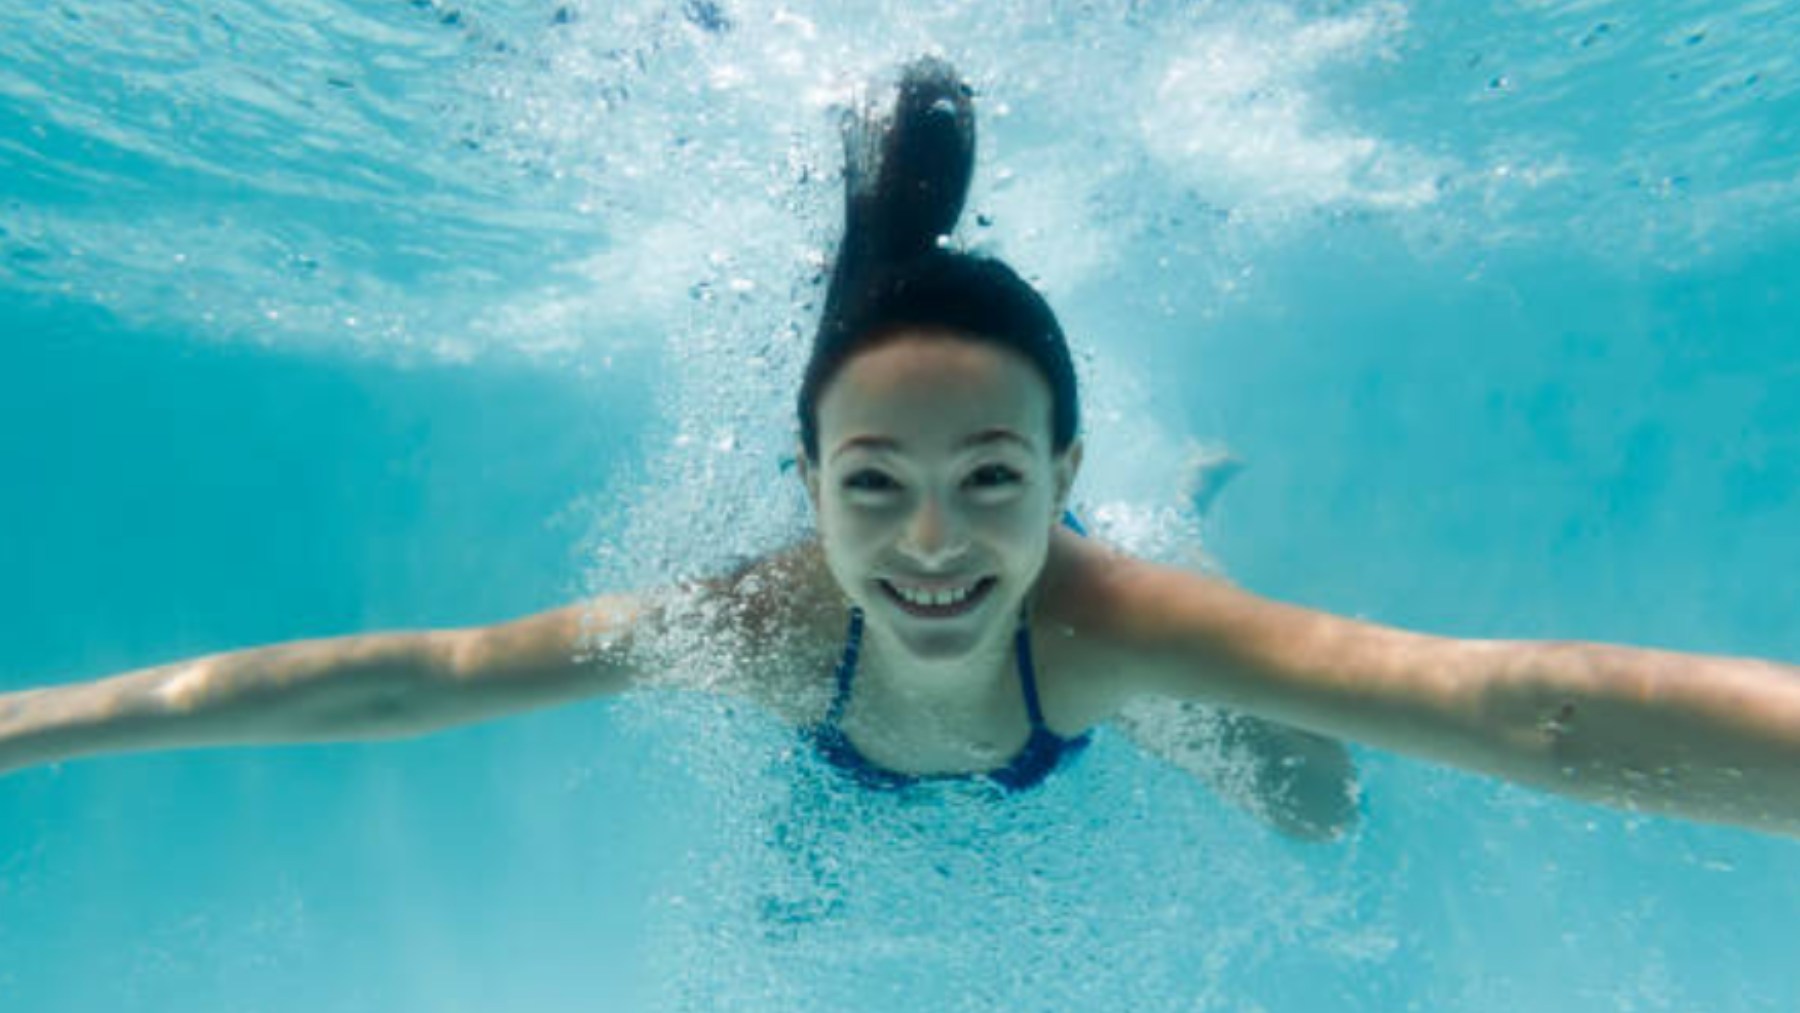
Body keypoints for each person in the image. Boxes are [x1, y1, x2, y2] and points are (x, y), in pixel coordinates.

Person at [1, 59, 1795, 843]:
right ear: (806, 485)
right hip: (856, 744)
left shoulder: (1106, 623)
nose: (931, 544)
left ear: (1060, 467)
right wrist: (27, 725)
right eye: (872, 485)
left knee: (1327, 810)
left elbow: (1519, 708)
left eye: (999, 480)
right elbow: (409, 681)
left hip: (1083, 691)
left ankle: (1191, 518)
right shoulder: (765, 623)